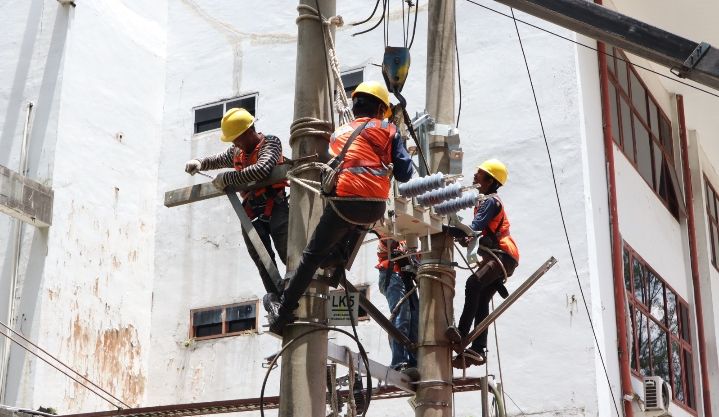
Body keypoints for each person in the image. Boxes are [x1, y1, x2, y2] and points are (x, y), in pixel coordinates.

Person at [263, 81, 414, 333]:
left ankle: (284, 312)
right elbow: (405, 173)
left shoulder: (339, 133)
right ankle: (336, 257)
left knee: (311, 257)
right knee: (352, 227)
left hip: (345, 205)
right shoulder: (388, 129)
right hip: (374, 208)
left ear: (355, 107)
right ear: (380, 109)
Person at [184, 108, 288, 295]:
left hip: (275, 206)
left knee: (288, 253)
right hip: (251, 212)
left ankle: (298, 291)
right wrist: (200, 162)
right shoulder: (237, 151)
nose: (234, 142)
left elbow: (261, 169)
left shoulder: (270, 143)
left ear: (249, 132)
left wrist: (228, 178)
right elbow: (218, 159)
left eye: (236, 138)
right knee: (263, 262)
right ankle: (277, 300)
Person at [450, 159, 520, 368]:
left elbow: (475, 227)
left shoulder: (490, 201)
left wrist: (444, 230)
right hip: (500, 258)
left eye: (479, 173)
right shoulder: (485, 201)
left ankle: (461, 334)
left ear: (489, 180)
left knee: (473, 284)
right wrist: (466, 237)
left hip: (503, 256)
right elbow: (476, 233)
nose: (475, 175)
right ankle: (478, 350)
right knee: (480, 300)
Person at [377, 238, 419, 372]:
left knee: (415, 319)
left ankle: (413, 362)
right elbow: (383, 244)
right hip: (392, 274)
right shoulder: (393, 232)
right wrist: (398, 250)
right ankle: (398, 361)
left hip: (407, 279)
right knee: (402, 317)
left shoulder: (414, 238)